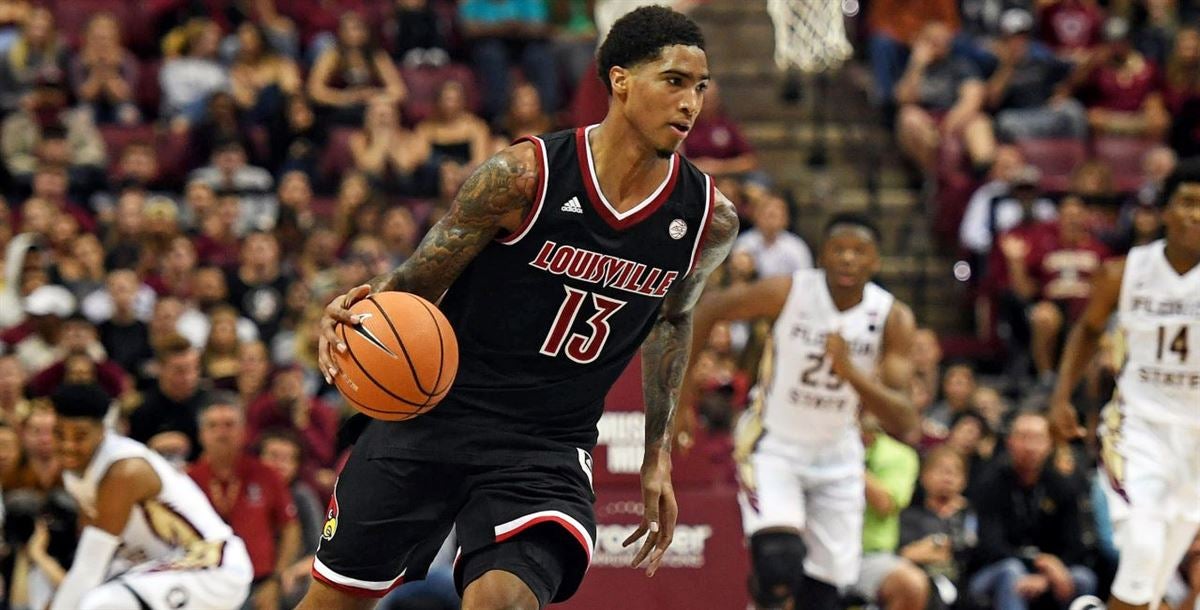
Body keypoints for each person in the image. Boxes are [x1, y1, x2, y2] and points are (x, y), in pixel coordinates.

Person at [306, 7, 737, 610]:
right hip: (435, 411)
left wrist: (656, 454)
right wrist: (356, 314)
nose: (691, 102)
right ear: (620, 81)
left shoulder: (707, 219)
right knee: (333, 605)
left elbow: (673, 318)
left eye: (700, 86)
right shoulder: (522, 177)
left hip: (545, 443)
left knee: (504, 601)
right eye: (673, 81)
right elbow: (416, 282)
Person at [685, 212, 918, 610]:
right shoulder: (787, 291)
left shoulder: (892, 317)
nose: (847, 258)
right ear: (821, 256)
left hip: (838, 452)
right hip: (774, 443)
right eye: (838, 249)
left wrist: (851, 373)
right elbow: (708, 308)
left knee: (824, 594)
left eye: (859, 251)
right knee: (779, 561)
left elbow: (905, 420)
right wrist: (681, 398)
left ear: (874, 261)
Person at [1050, 161, 1200, 610]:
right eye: (1188, 202)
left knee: (1152, 582)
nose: (1196, 215)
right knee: (1144, 554)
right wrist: (1060, 399)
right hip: (1137, 430)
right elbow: (1087, 331)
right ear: (1164, 211)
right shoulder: (1125, 272)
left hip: (1195, 439)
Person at [47, 383, 252, 610]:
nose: (68, 445)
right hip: (160, 567)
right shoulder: (74, 473)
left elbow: (90, 565)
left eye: (80, 436)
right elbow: (89, 555)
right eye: (59, 434)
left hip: (213, 566)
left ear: (103, 430)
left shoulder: (124, 470)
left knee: (101, 604)